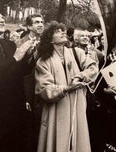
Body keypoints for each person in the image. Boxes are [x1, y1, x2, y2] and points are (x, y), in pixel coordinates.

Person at [35, 21, 98, 152]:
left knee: (78, 139)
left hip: (77, 105)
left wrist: (82, 75)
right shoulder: (43, 61)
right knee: (57, 141)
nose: (63, 32)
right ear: (50, 39)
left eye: (63, 30)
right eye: (57, 31)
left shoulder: (77, 52)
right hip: (56, 109)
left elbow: (93, 67)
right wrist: (66, 88)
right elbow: (43, 89)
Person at [0, 9, 35, 152]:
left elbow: (21, 72)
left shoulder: (8, 45)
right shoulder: (14, 50)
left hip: (15, 112)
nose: (2, 19)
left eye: (1, 16)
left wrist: (29, 56)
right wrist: (16, 57)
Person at [16, 13, 45, 151]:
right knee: (27, 128)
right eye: (36, 22)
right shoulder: (19, 44)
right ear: (29, 26)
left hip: (42, 90)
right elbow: (17, 73)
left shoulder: (46, 44)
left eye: (42, 22)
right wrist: (24, 97)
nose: (40, 24)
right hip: (26, 91)